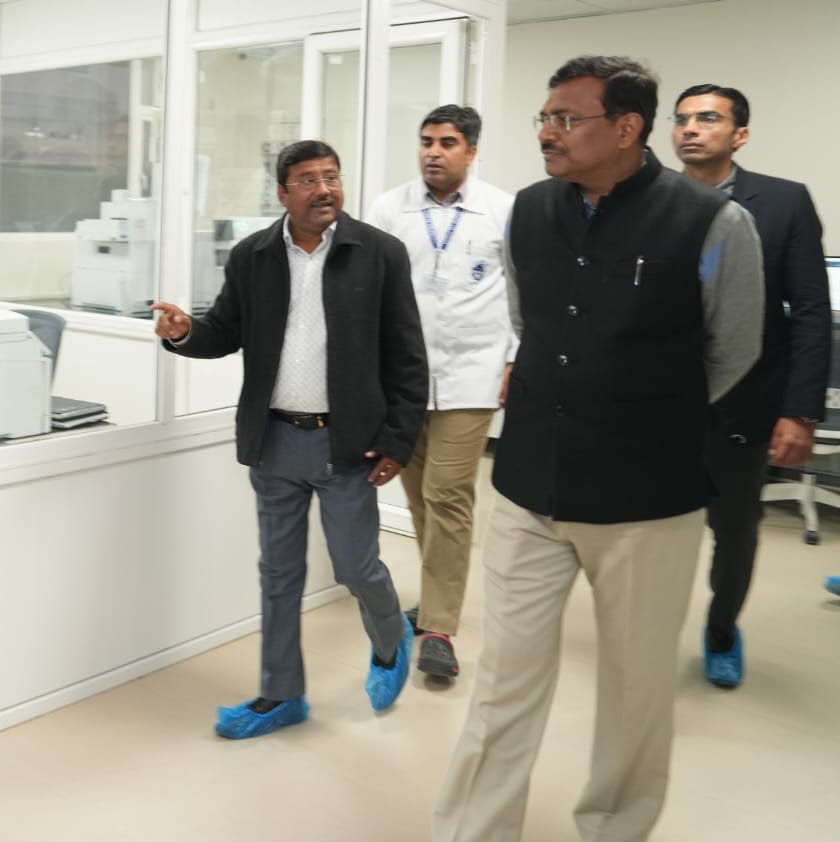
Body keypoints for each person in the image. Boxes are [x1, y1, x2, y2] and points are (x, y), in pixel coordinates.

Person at [434, 56, 763, 842]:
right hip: (529, 488)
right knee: (502, 684)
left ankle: (615, 827)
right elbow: (529, 320)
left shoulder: (712, 222)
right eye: (544, 117)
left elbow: (734, 350)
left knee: (635, 692)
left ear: (626, 128)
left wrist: (643, 408)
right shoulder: (529, 211)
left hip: (648, 502)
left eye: (566, 119)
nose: (547, 132)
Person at [153, 139, 428, 739]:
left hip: (347, 445)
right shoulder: (253, 256)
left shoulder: (379, 253)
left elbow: (408, 357)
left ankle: (390, 639)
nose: (324, 189)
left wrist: (398, 440)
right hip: (274, 441)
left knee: (356, 568)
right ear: (282, 192)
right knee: (278, 575)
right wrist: (183, 332)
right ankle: (281, 695)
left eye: (331, 176)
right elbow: (224, 330)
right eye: (308, 180)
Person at [670, 84, 831, 688]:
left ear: (739, 135)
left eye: (707, 118)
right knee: (651, 528)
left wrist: (800, 411)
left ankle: (721, 630)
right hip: (660, 402)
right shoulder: (649, 201)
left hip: (744, 402)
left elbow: (810, 312)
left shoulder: (784, 203)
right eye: (682, 119)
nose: (691, 128)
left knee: (734, 532)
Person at [367, 104, 515, 682]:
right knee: (420, 499)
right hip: (403, 380)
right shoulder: (390, 209)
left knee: (447, 495)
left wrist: (514, 357)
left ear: (471, 151)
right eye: (427, 141)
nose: (433, 151)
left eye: (447, 142)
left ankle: (439, 631)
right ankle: (435, 599)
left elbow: (523, 293)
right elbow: (370, 289)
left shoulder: (502, 210)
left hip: (471, 376)